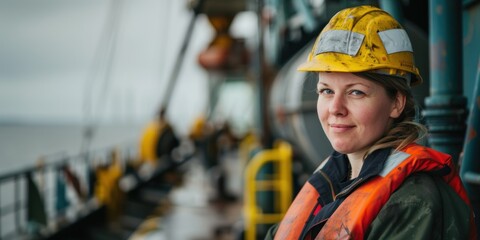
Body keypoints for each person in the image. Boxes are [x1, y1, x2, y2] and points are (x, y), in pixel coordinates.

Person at [266, 5, 477, 239]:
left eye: (356, 92)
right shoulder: (334, 176)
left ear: (396, 102)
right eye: (326, 91)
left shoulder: (413, 201)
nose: (335, 108)